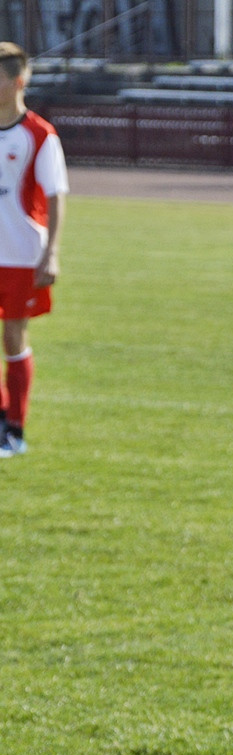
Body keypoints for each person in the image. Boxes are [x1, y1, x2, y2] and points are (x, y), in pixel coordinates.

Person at [0, 42, 69, 457]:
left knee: (12, 335)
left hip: (22, 251)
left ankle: (15, 430)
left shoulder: (39, 134)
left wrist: (53, 253)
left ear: (17, 81)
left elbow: (57, 196)